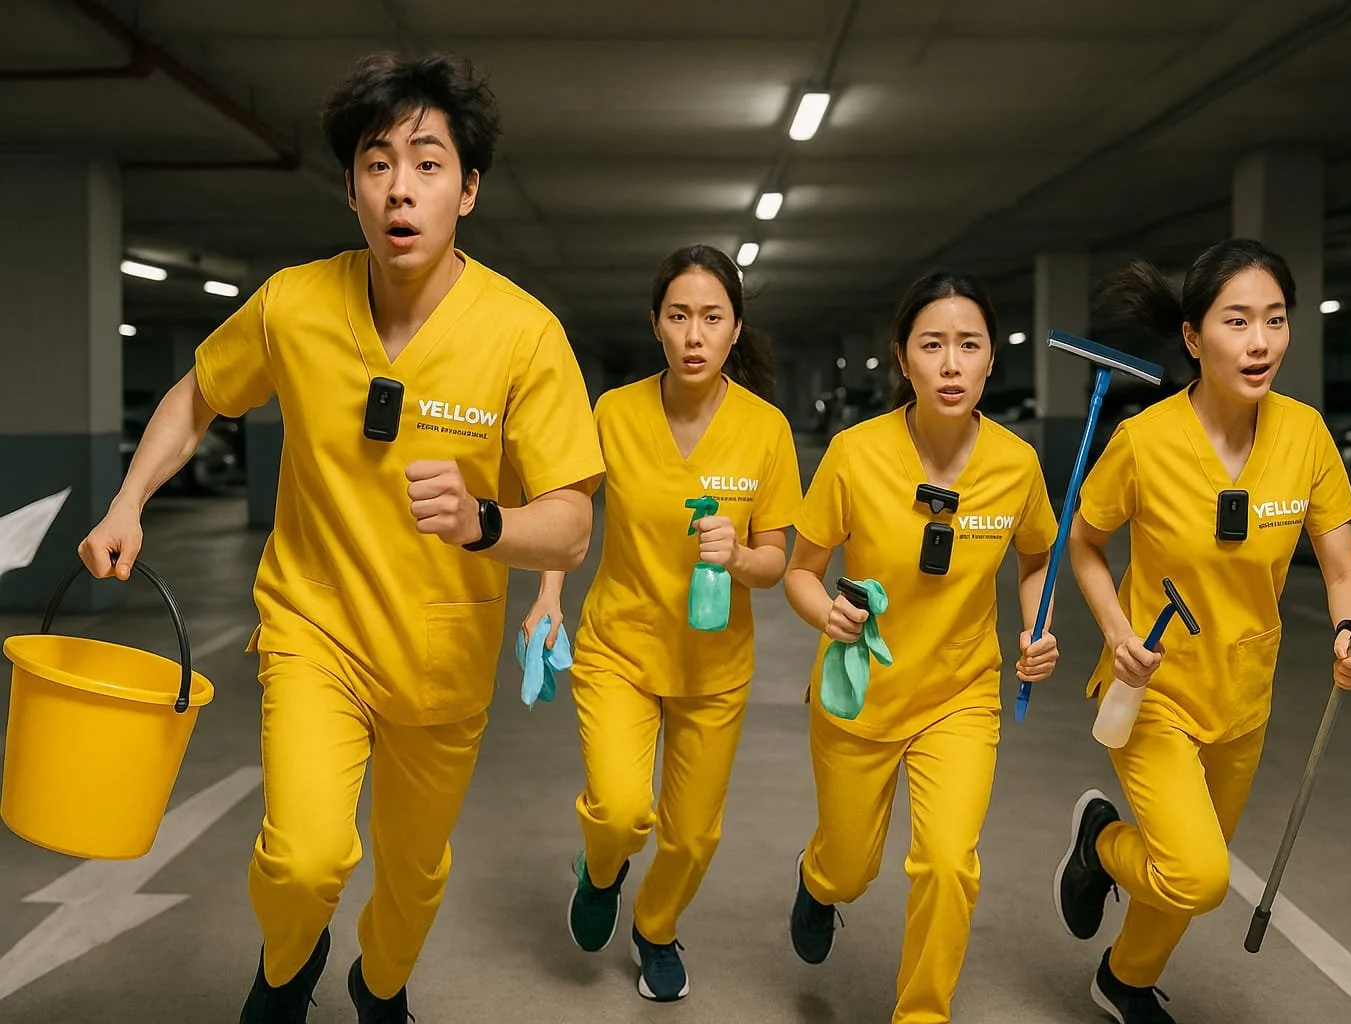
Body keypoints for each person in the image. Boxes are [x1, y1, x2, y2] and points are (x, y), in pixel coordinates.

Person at [77, 51, 604, 1024]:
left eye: (429, 161)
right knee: (304, 856)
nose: (402, 185)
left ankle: (378, 982)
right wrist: (129, 500)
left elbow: (571, 525)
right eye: (376, 162)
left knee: (413, 879)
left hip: (442, 657)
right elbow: (200, 392)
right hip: (313, 632)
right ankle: (286, 968)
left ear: (469, 187)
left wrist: (486, 521)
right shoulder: (294, 304)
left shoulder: (523, 334)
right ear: (353, 187)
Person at [1055, 238, 1351, 1023]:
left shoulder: (1304, 437)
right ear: (1196, 339)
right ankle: (1099, 841)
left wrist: (1349, 633)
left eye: (1275, 320)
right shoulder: (1145, 442)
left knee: (1185, 873)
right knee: (1196, 873)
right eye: (1238, 322)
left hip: (1244, 693)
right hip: (1153, 687)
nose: (1260, 341)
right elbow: (1086, 544)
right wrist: (1114, 628)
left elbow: (1342, 567)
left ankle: (1123, 980)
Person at [521, 243, 801, 1003]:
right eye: (678, 316)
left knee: (692, 837)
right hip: (621, 646)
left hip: (715, 665)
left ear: (735, 329)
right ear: (656, 324)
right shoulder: (614, 412)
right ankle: (601, 869)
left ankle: (656, 927)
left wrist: (741, 557)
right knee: (618, 808)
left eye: (712, 317)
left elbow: (778, 560)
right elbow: (565, 512)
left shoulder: (766, 430)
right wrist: (548, 597)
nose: (694, 335)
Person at [783, 270, 1061, 1023]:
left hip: (960, 695)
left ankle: (922, 1014)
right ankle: (817, 881)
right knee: (851, 868)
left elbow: (1038, 558)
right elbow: (801, 571)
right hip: (860, 686)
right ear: (902, 359)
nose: (950, 364)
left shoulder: (1015, 465)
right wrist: (825, 616)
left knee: (947, 864)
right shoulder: (853, 454)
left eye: (968, 345)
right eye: (931, 345)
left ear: (990, 360)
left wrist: (1037, 624)